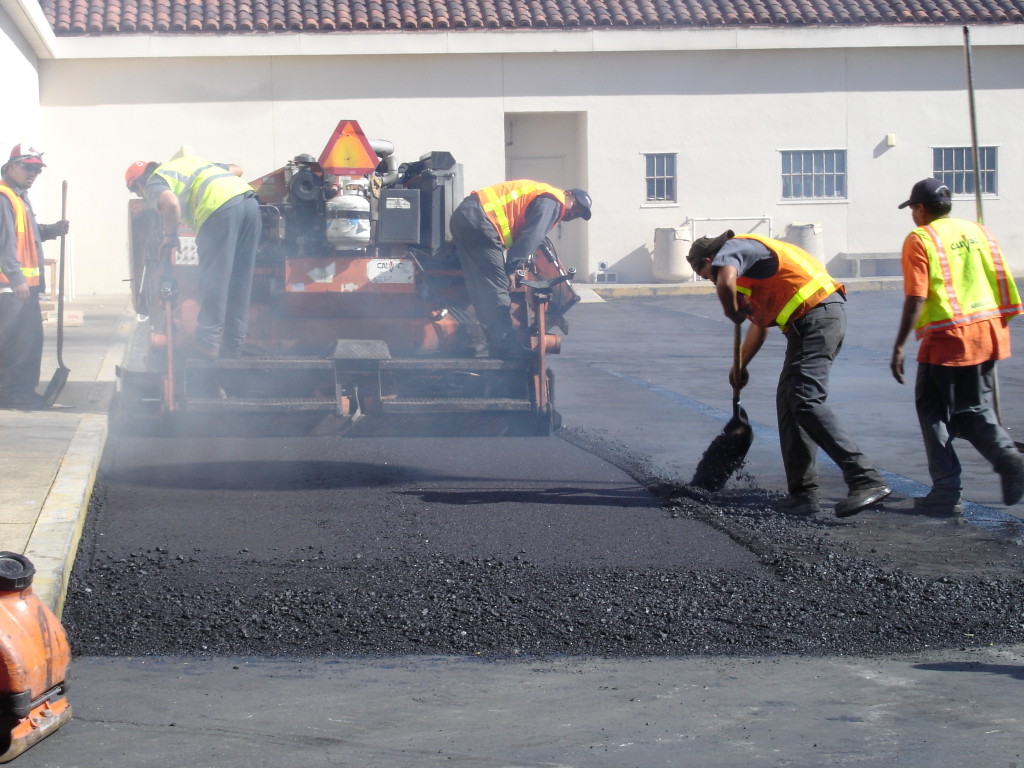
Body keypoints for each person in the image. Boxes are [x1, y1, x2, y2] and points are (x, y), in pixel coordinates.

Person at [687, 230, 891, 518]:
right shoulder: (754, 274)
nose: (709, 279)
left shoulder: (734, 249)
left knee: (804, 399)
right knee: (789, 405)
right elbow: (758, 326)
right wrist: (740, 365)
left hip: (818, 318)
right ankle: (803, 495)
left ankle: (865, 479)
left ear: (708, 260)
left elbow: (724, 281)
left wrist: (730, 307)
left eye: (704, 273)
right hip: (808, 324)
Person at [890, 178, 1024, 515]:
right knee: (972, 409)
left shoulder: (920, 238)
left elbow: (917, 296)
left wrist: (900, 345)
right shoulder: (979, 231)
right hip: (990, 331)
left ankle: (949, 491)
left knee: (934, 411)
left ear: (920, 209)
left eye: (913, 210)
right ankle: (1008, 459)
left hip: (949, 337)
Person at [125, 156, 260, 360]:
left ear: (137, 183)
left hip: (218, 211)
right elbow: (237, 169)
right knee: (240, 280)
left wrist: (170, 237)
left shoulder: (154, 182)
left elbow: (171, 204)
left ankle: (208, 343)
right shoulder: (189, 164)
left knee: (215, 278)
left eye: (135, 191)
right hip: (250, 206)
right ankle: (234, 345)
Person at [449, 180, 591, 359]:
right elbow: (532, 235)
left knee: (480, 284)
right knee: (496, 287)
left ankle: (480, 338)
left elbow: (527, 234)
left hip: (469, 216)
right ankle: (504, 346)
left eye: (578, 214)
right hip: (479, 220)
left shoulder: (544, 196)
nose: (574, 213)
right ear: (568, 194)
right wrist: (513, 267)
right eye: (576, 206)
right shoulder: (553, 201)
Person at [0, 143, 70, 410]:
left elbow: (28, 234)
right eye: (28, 168)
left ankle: (11, 393)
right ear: (11, 166)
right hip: (11, 287)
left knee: (20, 342)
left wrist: (52, 230)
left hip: (19, 287)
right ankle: (17, 394)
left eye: (37, 170)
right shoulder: (4, 198)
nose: (33, 174)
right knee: (22, 344)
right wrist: (17, 279)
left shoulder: (18, 197)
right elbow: (4, 244)